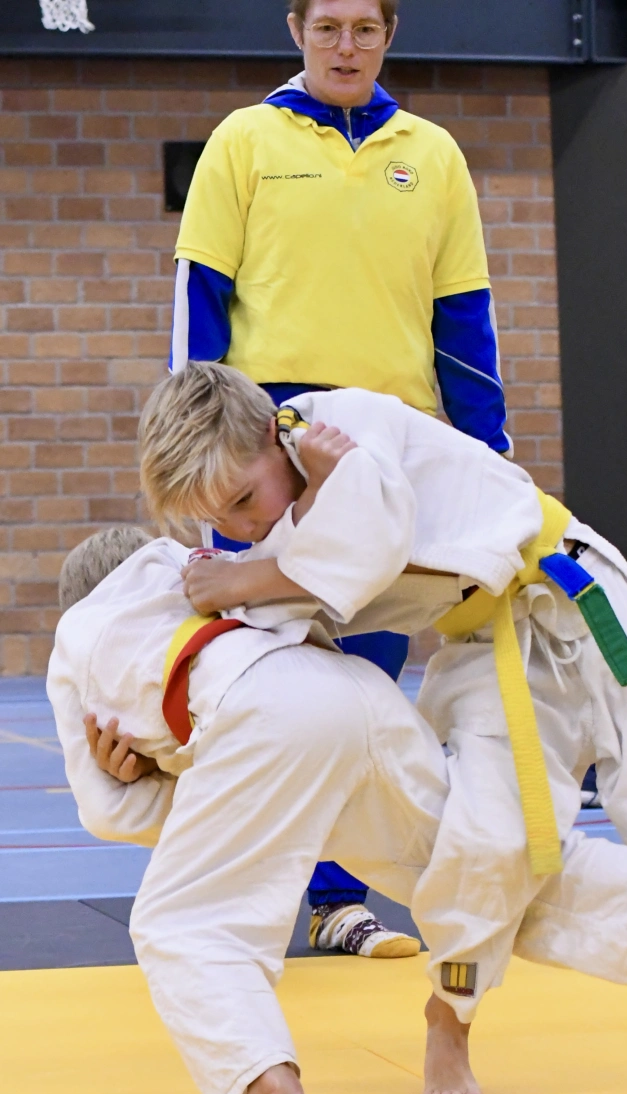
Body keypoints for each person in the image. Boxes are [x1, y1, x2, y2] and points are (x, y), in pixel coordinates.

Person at [138, 363, 627, 1094]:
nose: (242, 528)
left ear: (274, 436)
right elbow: (278, 630)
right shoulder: (278, 542)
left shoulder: (341, 427)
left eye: (244, 499)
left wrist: (252, 571)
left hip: (581, 592)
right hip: (485, 644)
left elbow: (366, 546)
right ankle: (450, 1012)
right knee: (489, 841)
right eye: (220, 519)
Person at [51, 522, 627, 1094]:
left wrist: (145, 779)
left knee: (182, 923)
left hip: (268, 726)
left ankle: (262, 1090)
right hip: (359, 699)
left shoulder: (80, 634)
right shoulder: (203, 572)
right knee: (484, 868)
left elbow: (110, 814)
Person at [169, 0, 508, 951]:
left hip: (385, 454)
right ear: (297, 30)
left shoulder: (432, 154)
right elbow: (199, 303)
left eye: (364, 28)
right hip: (264, 450)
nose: (346, 46)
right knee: (255, 678)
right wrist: (200, 458)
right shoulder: (243, 140)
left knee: (365, 681)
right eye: (328, 28)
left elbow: (464, 320)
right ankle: (228, 895)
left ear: (388, 35)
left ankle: (337, 902)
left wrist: (491, 455)